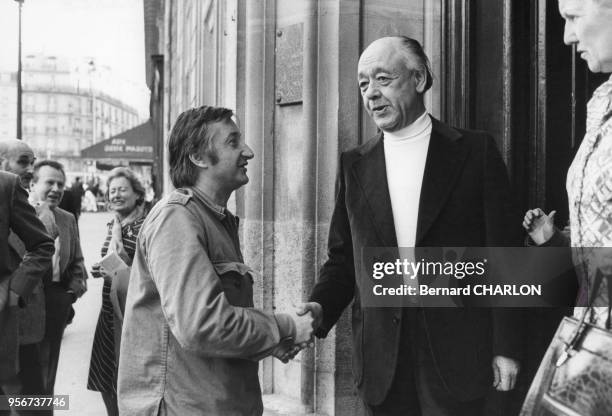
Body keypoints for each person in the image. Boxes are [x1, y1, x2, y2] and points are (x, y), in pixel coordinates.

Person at [296, 37, 522, 416]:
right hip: (383, 358)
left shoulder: (475, 151)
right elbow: (343, 260)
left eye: (383, 79)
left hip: (459, 353)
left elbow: (505, 256)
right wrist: (319, 308)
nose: (371, 94)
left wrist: (507, 347)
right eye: (364, 83)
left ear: (418, 79)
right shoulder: (354, 165)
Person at [117, 106, 314, 415]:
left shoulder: (213, 219)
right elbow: (201, 325)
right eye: (233, 142)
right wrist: (284, 327)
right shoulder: (177, 218)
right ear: (197, 156)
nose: (248, 151)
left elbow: (208, 324)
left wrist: (269, 343)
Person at [523, 0, 612, 325]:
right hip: (593, 332)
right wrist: (559, 240)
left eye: (573, 17)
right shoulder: (602, 102)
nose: (567, 36)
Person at [87, 167, 148, 416]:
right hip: (110, 314)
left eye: (123, 189)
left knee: (130, 381)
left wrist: (121, 271)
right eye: (112, 190)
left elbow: (150, 272)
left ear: (138, 194)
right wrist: (104, 269)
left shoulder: (147, 226)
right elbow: (114, 262)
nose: (116, 195)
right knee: (106, 377)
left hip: (135, 318)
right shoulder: (115, 224)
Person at [28, 160, 87, 401]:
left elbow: (77, 264)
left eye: (60, 184)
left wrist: (69, 295)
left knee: (47, 374)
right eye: (49, 182)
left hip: (55, 304)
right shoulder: (19, 213)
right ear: (32, 184)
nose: (56, 189)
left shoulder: (67, 219)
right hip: (23, 305)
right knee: (21, 378)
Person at [0, 169, 54, 406]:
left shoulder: (5, 185)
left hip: (10, 316)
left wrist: (14, 290)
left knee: (28, 393)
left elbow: (42, 244)